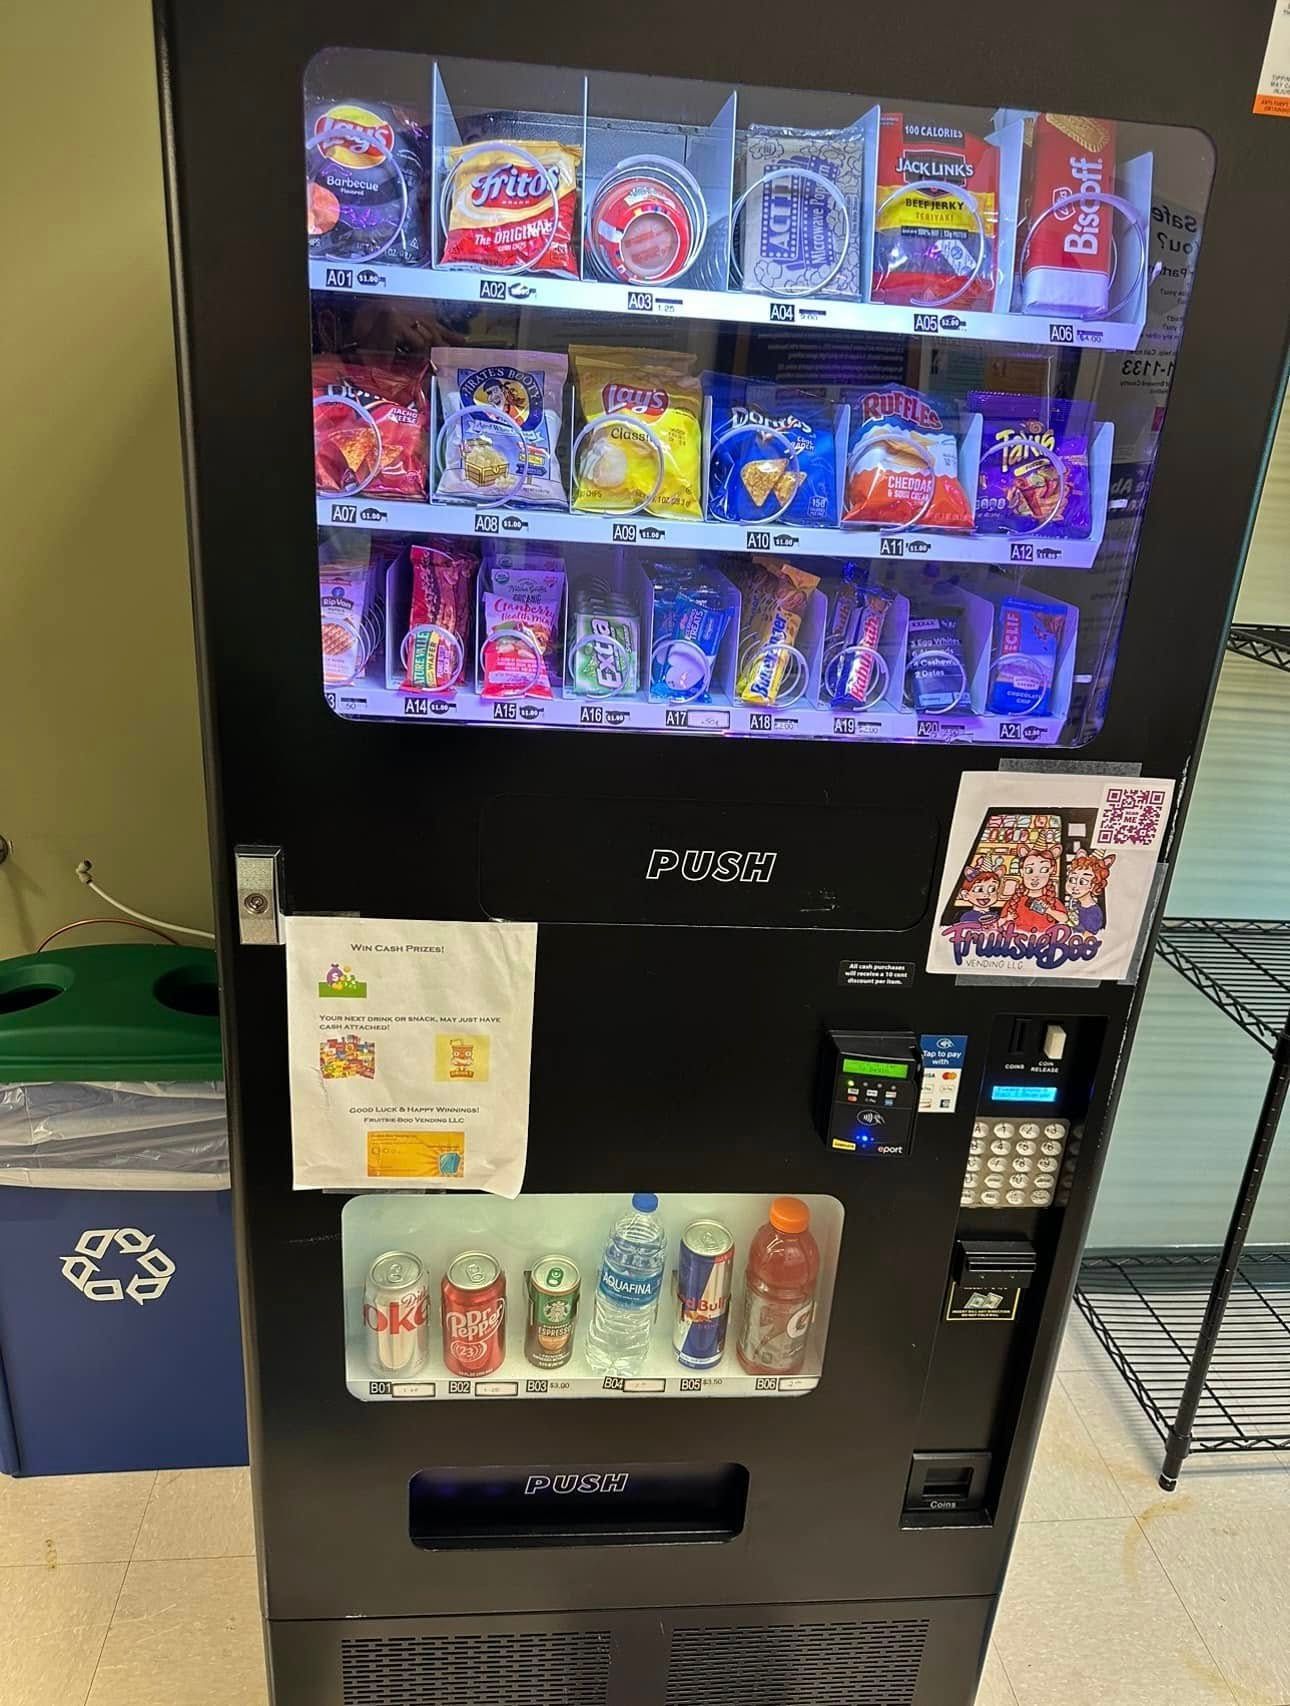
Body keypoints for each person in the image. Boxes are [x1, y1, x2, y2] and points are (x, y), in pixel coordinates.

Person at [1000, 847, 1062, 934]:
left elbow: (1065, 919)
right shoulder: (1014, 901)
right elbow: (999, 924)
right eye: (1029, 870)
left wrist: (1049, 911)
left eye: (1044, 870)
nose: (1035, 877)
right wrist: (1007, 919)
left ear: (1051, 871)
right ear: (1022, 872)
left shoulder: (1052, 900)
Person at [1064, 850, 1115, 934]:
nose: (1075, 886)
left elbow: (1089, 938)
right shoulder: (1074, 904)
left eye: (1083, 882)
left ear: (1094, 885)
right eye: (1072, 879)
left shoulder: (1093, 913)